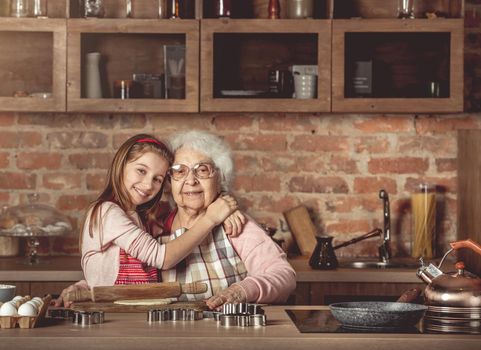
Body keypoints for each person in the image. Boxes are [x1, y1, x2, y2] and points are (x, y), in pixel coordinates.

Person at [55, 133, 239, 306]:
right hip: (113, 312)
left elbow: (104, 267)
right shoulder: (107, 212)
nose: (148, 184)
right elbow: (163, 258)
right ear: (121, 165)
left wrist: (222, 203)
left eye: (158, 179)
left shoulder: (141, 218)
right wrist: (211, 218)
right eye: (141, 171)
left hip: (138, 310)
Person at [161, 130, 296, 309]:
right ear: (169, 180)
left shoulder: (235, 224)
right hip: (170, 333)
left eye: (202, 170)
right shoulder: (157, 227)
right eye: (180, 171)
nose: (191, 180)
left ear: (220, 178)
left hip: (230, 333)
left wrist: (242, 290)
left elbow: (284, 275)